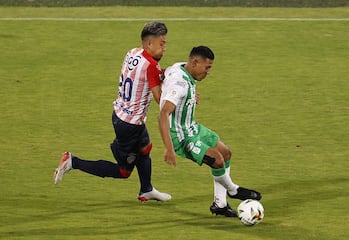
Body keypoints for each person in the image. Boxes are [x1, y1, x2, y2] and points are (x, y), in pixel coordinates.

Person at [54, 22, 171, 202]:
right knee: (124, 171)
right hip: (129, 125)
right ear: (149, 44)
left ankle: (146, 189)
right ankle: (73, 162)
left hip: (121, 115)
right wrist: (181, 97)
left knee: (145, 148)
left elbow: (147, 76)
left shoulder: (132, 53)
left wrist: (165, 74)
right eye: (162, 44)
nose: (165, 48)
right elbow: (160, 99)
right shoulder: (151, 67)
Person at [158, 46, 262, 216]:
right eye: (207, 67)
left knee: (226, 153)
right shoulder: (180, 83)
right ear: (195, 62)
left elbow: (162, 75)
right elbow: (163, 114)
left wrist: (189, 98)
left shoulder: (178, 67)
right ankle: (233, 190)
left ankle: (220, 205)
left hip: (192, 127)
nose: (208, 72)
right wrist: (169, 148)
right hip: (182, 137)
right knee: (217, 160)